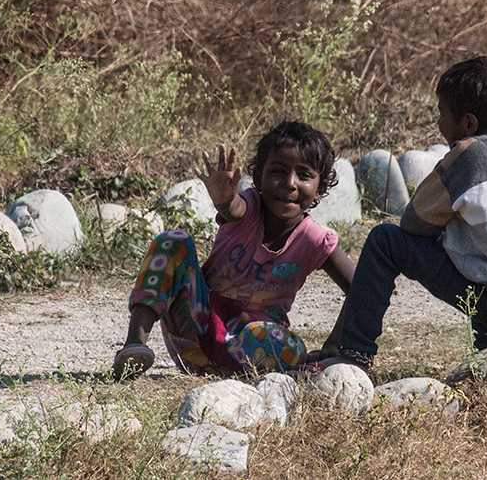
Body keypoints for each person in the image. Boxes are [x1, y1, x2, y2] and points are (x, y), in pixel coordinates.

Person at [313, 56, 487, 369]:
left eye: (441, 115)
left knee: (385, 240)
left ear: (468, 124)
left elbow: (413, 223)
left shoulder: (467, 154)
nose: (438, 124)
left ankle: (354, 353)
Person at [113, 120, 355, 380]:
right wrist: (225, 199)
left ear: (320, 188)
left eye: (304, 175)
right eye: (277, 171)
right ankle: (134, 347)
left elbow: (361, 287)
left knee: (289, 346)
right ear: (259, 176)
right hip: (196, 331)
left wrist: (333, 344)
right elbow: (234, 209)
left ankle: (277, 374)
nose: (290, 183)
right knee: (173, 240)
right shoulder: (249, 208)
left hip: (253, 348)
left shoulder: (315, 239)